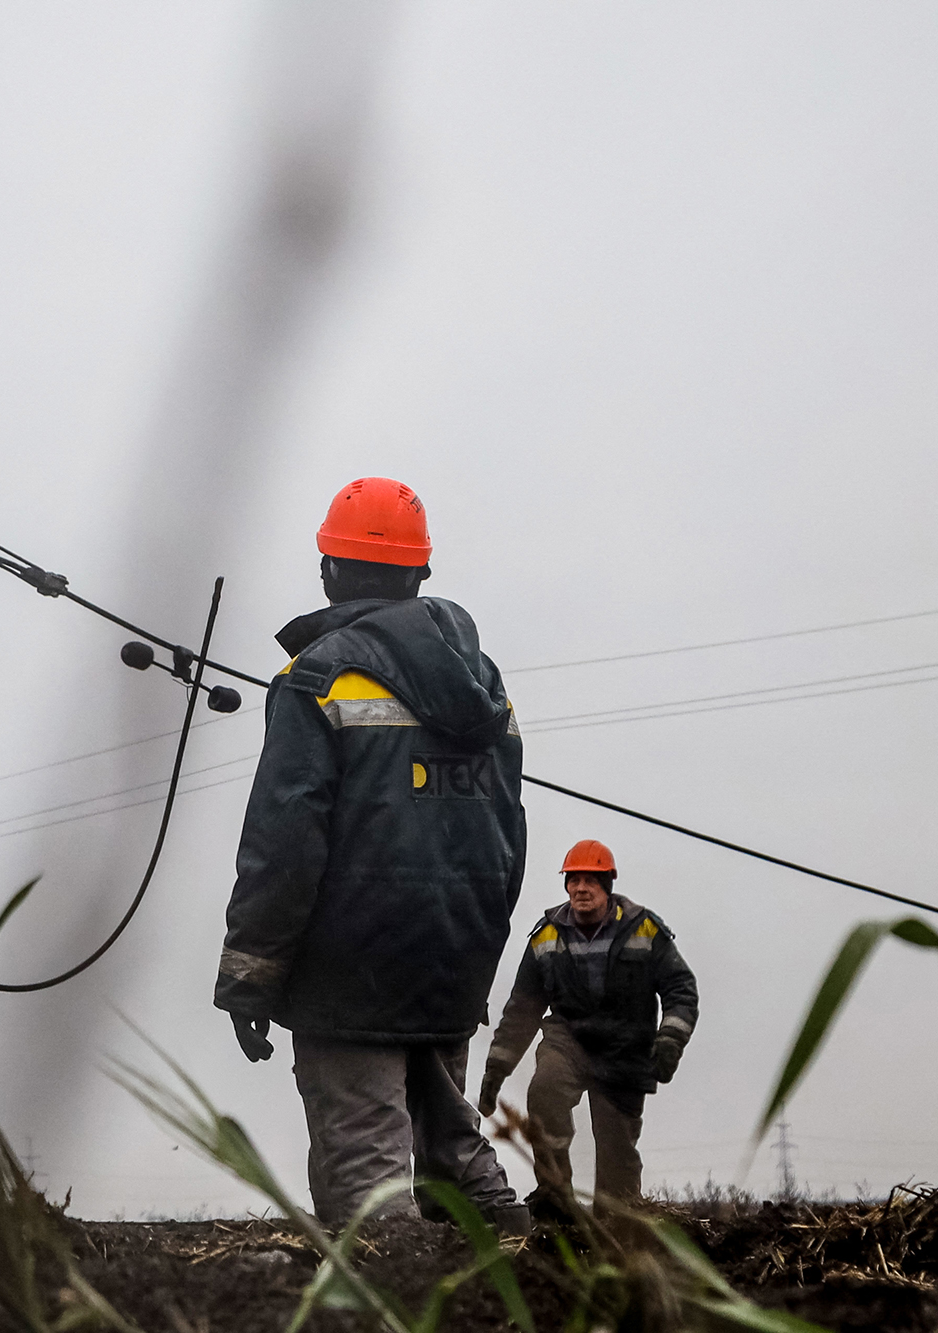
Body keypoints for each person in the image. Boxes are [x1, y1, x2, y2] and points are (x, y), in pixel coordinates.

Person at [213, 476, 530, 1233]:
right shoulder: (487, 688)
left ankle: (391, 1300)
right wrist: (475, 941)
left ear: (328, 568)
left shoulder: (314, 678)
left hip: (348, 966)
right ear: (421, 571)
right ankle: (534, 1279)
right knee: (454, 1147)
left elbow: (283, 843)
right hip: (455, 950)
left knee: (368, 1180)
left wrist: (250, 976)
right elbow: (508, 836)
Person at [478, 839, 698, 1216]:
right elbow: (522, 1011)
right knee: (545, 1093)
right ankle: (555, 1199)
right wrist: (496, 1071)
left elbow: (681, 990)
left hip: (625, 1050)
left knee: (617, 1159)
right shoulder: (546, 937)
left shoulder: (644, 929)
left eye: (590, 880)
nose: (581, 888)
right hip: (568, 1041)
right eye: (573, 879)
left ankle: (616, 1223)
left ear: (607, 885)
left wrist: (670, 1040)